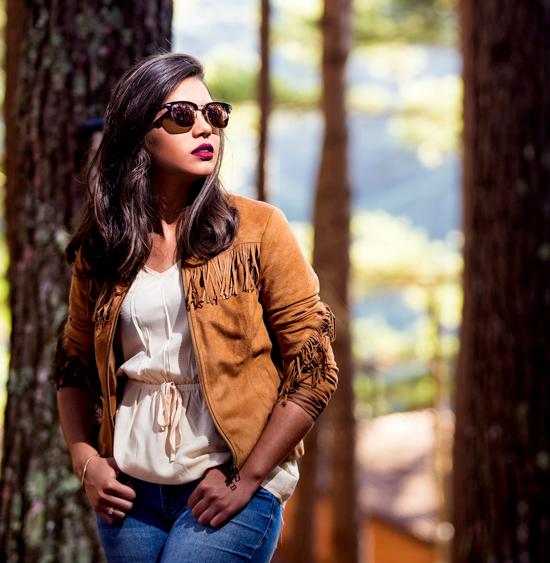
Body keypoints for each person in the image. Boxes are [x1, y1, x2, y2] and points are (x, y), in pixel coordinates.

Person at [52, 51, 338, 562]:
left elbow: (313, 369)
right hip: (130, 498)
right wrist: (86, 460)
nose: (205, 128)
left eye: (214, 114)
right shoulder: (106, 246)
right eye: (182, 116)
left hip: (233, 486)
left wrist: (248, 476)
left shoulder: (259, 230)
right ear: (138, 132)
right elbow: (73, 366)